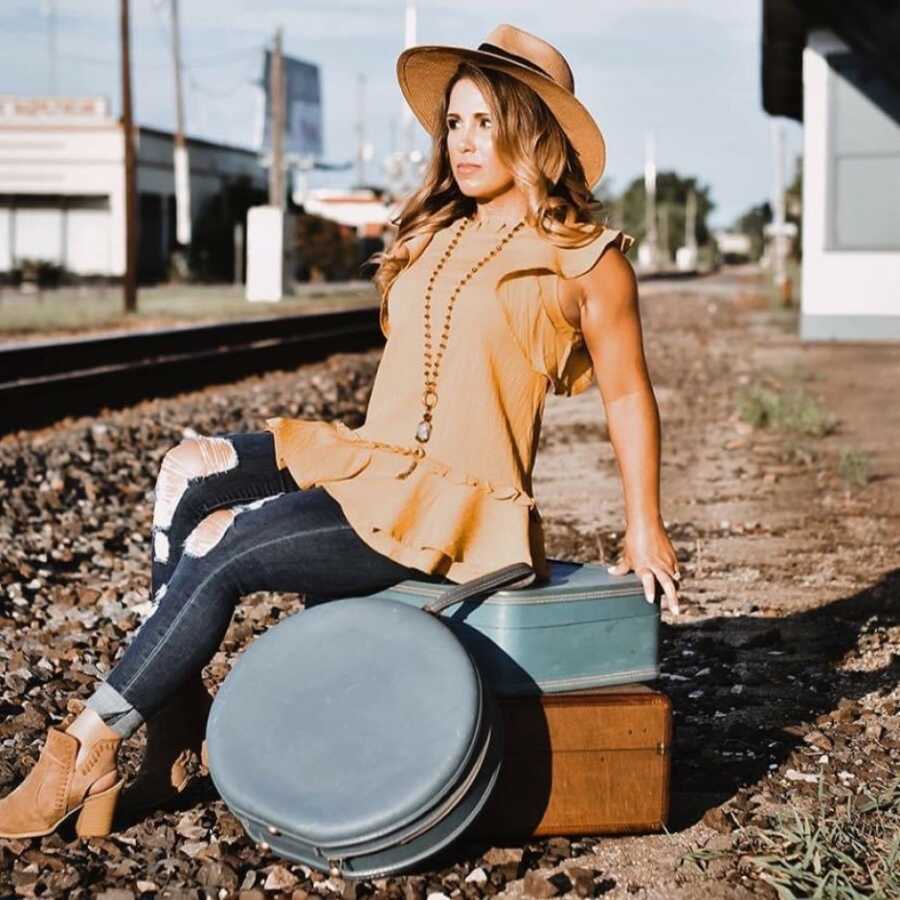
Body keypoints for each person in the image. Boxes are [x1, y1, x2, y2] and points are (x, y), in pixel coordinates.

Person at [0, 23, 681, 841]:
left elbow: (628, 396)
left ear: (534, 129)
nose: (463, 144)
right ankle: (175, 730)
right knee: (187, 470)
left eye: (485, 123)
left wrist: (645, 525)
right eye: (454, 124)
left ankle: (86, 747)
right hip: (374, 468)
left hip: (452, 510)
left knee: (221, 542)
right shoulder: (439, 231)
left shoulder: (586, 259)